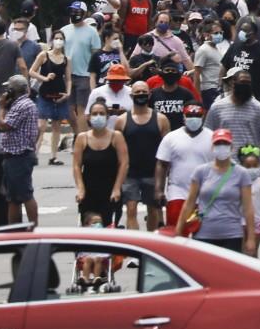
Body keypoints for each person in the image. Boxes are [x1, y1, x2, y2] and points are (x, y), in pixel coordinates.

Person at [177, 128, 258, 254]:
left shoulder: (241, 174)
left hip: (232, 234)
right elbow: (189, 203)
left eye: (225, 144)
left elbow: (248, 208)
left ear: (231, 147)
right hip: (203, 234)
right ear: (212, 147)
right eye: (218, 144)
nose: (221, 147)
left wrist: (251, 238)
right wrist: (179, 230)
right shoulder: (201, 172)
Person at [118, 79, 170, 231]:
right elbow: (118, 150)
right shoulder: (122, 120)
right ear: (131, 96)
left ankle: (150, 241)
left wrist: (166, 171)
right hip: (130, 174)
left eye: (143, 92)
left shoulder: (161, 119)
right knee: (131, 210)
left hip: (153, 173)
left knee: (153, 210)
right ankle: (133, 242)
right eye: (137, 92)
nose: (141, 94)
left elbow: (167, 148)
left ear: (149, 94)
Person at [155, 102, 213, 229]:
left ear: (203, 116)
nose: (194, 119)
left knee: (201, 232)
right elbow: (162, 164)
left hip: (205, 195)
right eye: (190, 115)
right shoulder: (171, 137)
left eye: (197, 115)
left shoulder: (212, 137)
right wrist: (159, 190)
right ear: (184, 116)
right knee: (176, 230)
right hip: (177, 193)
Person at [73, 97, 126, 229]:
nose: (98, 117)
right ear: (89, 117)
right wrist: (80, 188)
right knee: (89, 226)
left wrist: (117, 188)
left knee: (108, 227)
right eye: (95, 114)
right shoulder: (82, 138)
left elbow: (124, 163)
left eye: (101, 114)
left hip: (110, 190)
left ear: (107, 117)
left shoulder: (116, 136)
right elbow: (76, 166)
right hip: (89, 189)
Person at [0, 76, 40, 226]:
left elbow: (4, 125)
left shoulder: (23, 105)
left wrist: (1, 107)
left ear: (12, 90)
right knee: (13, 198)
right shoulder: (17, 105)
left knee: (25, 195)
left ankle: (33, 227)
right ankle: (15, 230)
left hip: (19, 156)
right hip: (13, 155)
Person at [29, 30, 72, 162]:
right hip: (44, 94)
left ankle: (54, 156)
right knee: (41, 126)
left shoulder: (66, 59)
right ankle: (33, 154)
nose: (58, 41)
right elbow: (32, 71)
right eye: (56, 38)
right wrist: (45, 78)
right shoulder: (44, 55)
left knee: (56, 127)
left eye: (61, 39)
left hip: (59, 95)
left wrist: (68, 93)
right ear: (52, 40)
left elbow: (68, 79)